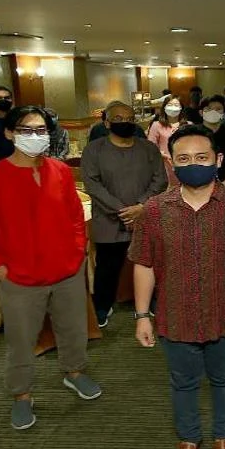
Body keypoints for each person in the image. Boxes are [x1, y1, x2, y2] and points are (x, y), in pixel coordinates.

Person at [129, 124, 225, 449]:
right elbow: (144, 264)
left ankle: (224, 436)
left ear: (218, 160)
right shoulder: (154, 211)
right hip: (175, 314)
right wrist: (142, 315)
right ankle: (188, 439)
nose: (194, 164)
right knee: (183, 382)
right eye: (184, 159)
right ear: (171, 163)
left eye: (202, 157)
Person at [0, 106, 102, 431]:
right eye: (26, 130)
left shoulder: (60, 171)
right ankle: (22, 394)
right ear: (9, 134)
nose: (35, 136)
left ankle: (74, 372)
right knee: (21, 340)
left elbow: (75, 216)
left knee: (73, 328)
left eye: (41, 130)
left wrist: (77, 253)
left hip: (67, 270)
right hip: (20, 278)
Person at [82, 100, 168, 326]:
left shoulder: (148, 148)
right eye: (118, 119)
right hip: (109, 219)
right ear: (107, 123)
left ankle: (153, 301)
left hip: (146, 215)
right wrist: (122, 210)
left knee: (151, 262)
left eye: (130, 119)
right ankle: (103, 305)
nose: (125, 122)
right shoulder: (94, 149)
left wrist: (141, 206)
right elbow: (93, 185)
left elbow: (160, 180)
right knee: (107, 267)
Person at [148, 94, 186, 187]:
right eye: (170, 105)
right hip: (165, 165)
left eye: (176, 105)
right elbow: (150, 146)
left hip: (184, 164)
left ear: (181, 108)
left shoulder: (188, 125)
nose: (173, 108)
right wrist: (162, 154)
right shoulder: (156, 125)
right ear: (164, 107)